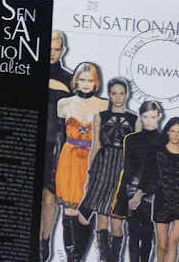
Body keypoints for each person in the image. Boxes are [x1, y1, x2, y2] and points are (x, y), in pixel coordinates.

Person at [78, 77, 140, 262]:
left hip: (122, 171)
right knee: (102, 218)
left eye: (121, 93)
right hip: (102, 167)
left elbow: (137, 153)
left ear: (127, 94)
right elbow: (95, 145)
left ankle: (114, 259)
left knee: (117, 223)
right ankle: (104, 259)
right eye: (114, 93)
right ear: (109, 95)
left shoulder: (135, 120)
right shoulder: (100, 116)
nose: (118, 97)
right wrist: (90, 175)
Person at [55, 62, 108, 262]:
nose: (86, 83)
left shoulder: (104, 105)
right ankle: (72, 258)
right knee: (69, 210)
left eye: (90, 80)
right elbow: (59, 138)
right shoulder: (64, 103)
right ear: (75, 81)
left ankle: (78, 257)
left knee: (86, 211)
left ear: (96, 83)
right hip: (69, 161)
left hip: (93, 162)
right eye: (82, 79)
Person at [130, 118, 179, 262]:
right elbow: (146, 174)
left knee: (173, 243)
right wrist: (138, 194)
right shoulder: (156, 151)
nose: (175, 135)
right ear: (167, 132)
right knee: (162, 244)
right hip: (162, 201)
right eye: (173, 131)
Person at [112, 101, 163, 262]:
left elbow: (159, 172)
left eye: (153, 117)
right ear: (140, 117)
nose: (149, 121)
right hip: (131, 191)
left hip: (153, 194)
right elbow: (127, 169)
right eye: (146, 117)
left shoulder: (163, 141)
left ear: (159, 117)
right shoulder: (131, 139)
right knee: (133, 234)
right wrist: (121, 196)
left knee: (147, 235)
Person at [39, 31, 73, 262]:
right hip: (30, 141)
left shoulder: (71, 79)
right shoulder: (27, 72)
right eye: (49, 48)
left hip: (58, 145)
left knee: (50, 197)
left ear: (63, 51)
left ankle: (45, 242)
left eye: (56, 49)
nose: (52, 53)